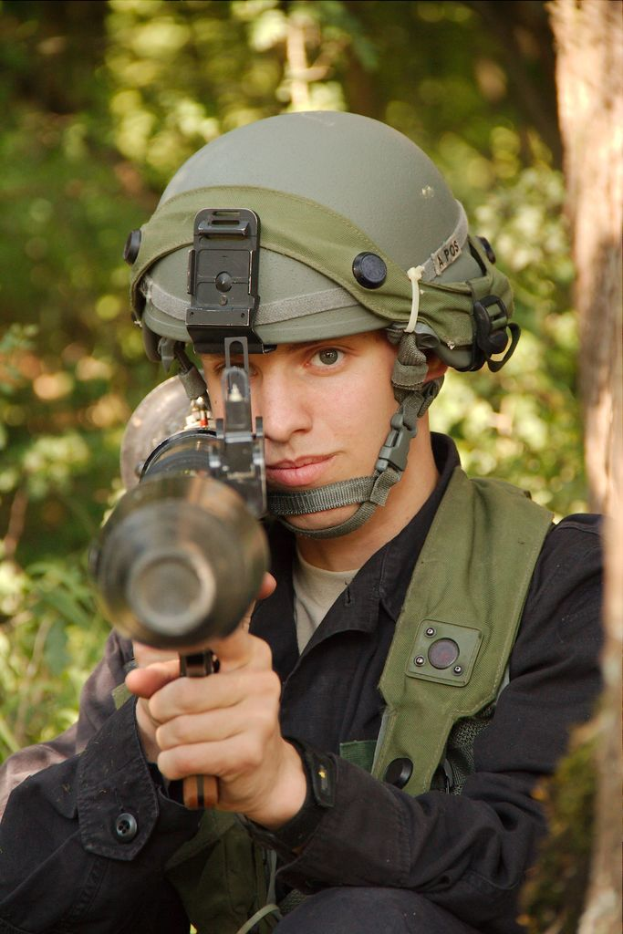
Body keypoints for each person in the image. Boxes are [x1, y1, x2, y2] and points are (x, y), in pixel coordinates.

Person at [0, 112, 602, 934]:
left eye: (324, 356)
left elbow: (542, 875)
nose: (275, 418)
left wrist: (289, 792)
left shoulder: (563, 585)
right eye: (232, 366)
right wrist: (145, 753)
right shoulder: (190, 571)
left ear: (421, 359)